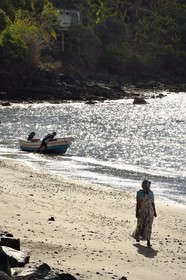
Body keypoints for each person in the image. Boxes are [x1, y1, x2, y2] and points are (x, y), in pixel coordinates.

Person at [132, 180, 157, 247]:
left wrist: (155, 212)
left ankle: (148, 241)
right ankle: (138, 236)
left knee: (148, 226)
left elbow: (153, 203)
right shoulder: (139, 193)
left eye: (145, 184)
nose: (143, 186)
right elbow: (138, 203)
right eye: (142, 184)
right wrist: (136, 211)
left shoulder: (151, 193)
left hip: (150, 212)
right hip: (142, 212)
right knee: (140, 224)